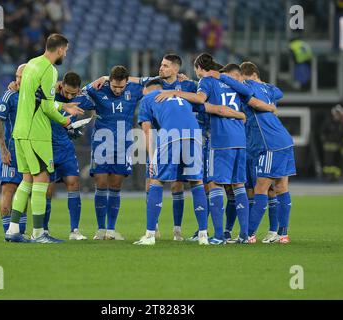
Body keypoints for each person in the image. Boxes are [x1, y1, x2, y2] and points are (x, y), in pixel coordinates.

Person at [156, 54, 276, 244]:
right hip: (240, 138)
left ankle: (219, 235)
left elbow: (200, 98)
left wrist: (176, 92)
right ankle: (244, 235)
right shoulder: (230, 82)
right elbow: (247, 94)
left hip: (220, 139)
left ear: (199, 67)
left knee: (214, 184)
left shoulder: (206, 81)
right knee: (238, 185)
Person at [5, 33, 84, 243]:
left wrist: (63, 105)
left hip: (20, 131)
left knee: (27, 179)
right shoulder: (50, 70)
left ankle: (13, 231)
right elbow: (47, 108)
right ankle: (39, 233)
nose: (65, 53)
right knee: (42, 179)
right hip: (35, 134)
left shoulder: (31, 64)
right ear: (59, 49)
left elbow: (38, 100)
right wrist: (67, 121)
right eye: (65, 50)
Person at [134, 79, 209, 246]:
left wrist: (152, 158)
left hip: (171, 134)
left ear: (149, 90)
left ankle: (150, 235)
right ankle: (203, 235)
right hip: (194, 135)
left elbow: (147, 131)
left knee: (157, 180)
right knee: (196, 181)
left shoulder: (147, 98)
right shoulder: (183, 97)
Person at [85, 66, 144, 241]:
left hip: (123, 145)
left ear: (127, 82)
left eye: (121, 87)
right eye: (114, 87)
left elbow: (151, 81)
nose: (118, 90)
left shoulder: (134, 88)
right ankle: (100, 229)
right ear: (109, 81)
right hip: (101, 144)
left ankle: (111, 229)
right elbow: (78, 92)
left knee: (116, 185)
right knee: (101, 183)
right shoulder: (99, 88)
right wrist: (95, 82)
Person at [239, 62, 296, 244]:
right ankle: (282, 234)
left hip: (270, 144)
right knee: (281, 187)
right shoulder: (268, 90)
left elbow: (249, 94)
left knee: (260, 189)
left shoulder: (248, 86)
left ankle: (249, 234)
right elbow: (279, 91)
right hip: (284, 141)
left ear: (250, 76)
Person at [43, 71, 95, 240]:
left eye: (74, 93)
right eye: (67, 92)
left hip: (66, 149)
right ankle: (43, 230)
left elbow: (99, 99)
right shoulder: (50, 94)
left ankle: (75, 231)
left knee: (73, 183)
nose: (70, 95)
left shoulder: (81, 97)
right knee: (48, 190)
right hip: (47, 147)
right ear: (61, 85)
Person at [0, 64, 27, 236]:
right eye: (17, 76)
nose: (18, 80)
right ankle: (8, 231)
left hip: (27, 151)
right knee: (9, 189)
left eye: (21, 76)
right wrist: (3, 150)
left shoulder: (33, 95)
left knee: (25, 189)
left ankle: (20, 231)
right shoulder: (9, 95)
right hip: (11, 151)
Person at [320, 105, 343, 182]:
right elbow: (322, 133)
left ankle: (335, 176)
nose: (337, 115)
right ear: (333, 113)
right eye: (336, 113)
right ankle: (328, 176)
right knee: (329, 163)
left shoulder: (341, 124)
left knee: (337, 163)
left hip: (338, 147)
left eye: (339, 113)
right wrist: (325, 141)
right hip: (329, 147)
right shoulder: (328, 122)